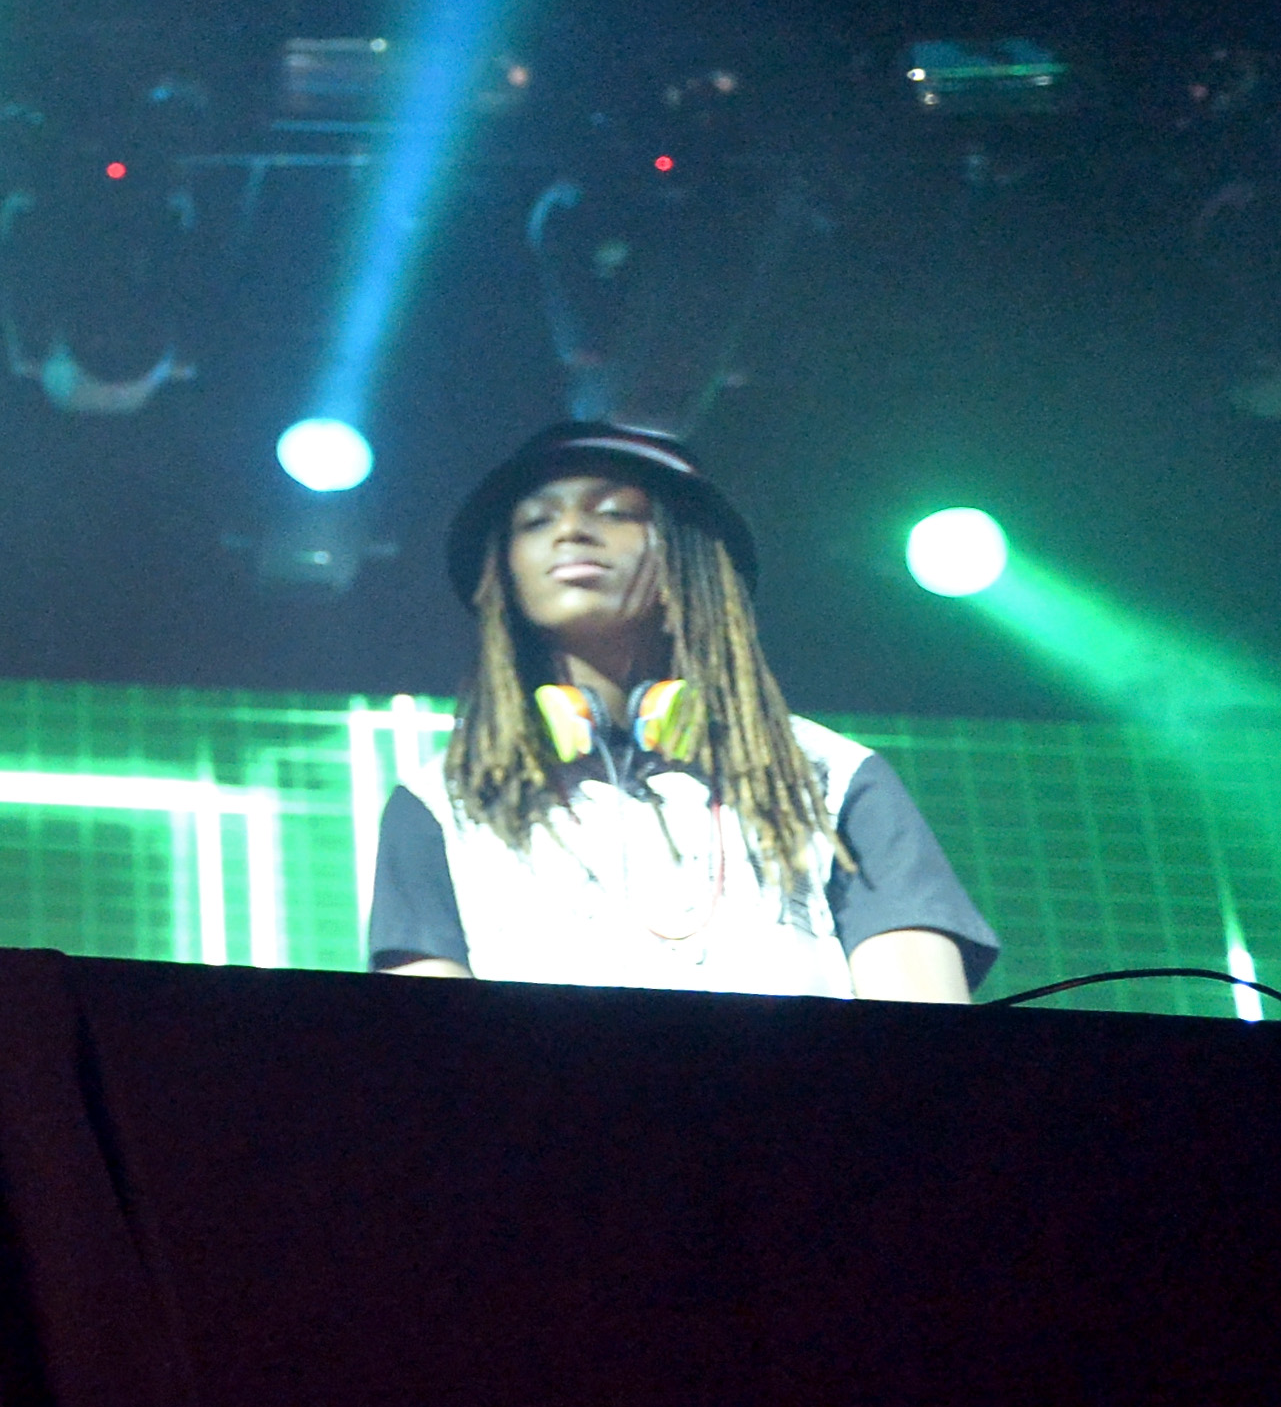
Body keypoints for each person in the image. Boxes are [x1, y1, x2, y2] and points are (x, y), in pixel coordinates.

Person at [368, 421, 996, 1000]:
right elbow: (432, 1059)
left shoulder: (828, 774)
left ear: (690, 556)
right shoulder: (442, 803)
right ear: (505, 574)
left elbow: (924, 1040)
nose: (569, 531)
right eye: (534, 522)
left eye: (613, 512)